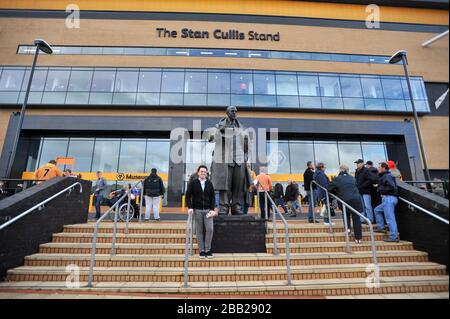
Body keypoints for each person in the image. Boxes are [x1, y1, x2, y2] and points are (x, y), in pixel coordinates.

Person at [208, 106, 251, 215]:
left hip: (239, 160)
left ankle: (236, 207)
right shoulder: (220, 126)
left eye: (236, 111)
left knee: (238, 186)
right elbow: (210, 138)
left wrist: (246, 157)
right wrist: (220, 132)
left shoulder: (241, 128)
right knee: (224, 185)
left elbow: (246, 145)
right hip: (225, 161)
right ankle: (224, 207)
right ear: (227, 113)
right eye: (232, 111)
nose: (235, 113)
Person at [185, 165, 216, 259]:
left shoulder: (209, 183)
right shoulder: (193, 183)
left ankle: (208, 249)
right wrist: (190, 207)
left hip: (207, 211)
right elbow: (188, 196)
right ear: (198, 172)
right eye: (201, 171)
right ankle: (202, 250)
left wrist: (212, 209)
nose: (203, 173)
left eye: (205, 172)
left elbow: (213, 197)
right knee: (199, 231)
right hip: (197, 210)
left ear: (206, 174)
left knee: (210, 229)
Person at [328, 164, 363, 243]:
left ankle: (348, 230)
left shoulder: (337, 179)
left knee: (346, 214)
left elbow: (329, 188)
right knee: (356, 218)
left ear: (341, 170)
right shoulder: (353, 178)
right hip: (356, 199)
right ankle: (358, 238)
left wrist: (336, 192)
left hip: (345, 199)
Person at [374, 162, 400, 243]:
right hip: (388, 198)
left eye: (379, 167)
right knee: (377, 210)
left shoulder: (387, 176)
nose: (377, 168)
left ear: (383, 168)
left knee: (390, 218)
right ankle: (381, 228)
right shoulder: (384, 176)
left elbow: (391, 187)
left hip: (389, 198)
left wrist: (380, 189)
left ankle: (393, 237)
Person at [354, 159, 378, 223]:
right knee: (361, 206)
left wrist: (363, 185)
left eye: (358, 163)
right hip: (359, 191)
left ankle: (370, 220)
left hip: (366, 191)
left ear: (362, 163)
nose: (357, 164)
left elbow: (371, 179)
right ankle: (362, 220)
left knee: (367, 206)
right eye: (356, 163)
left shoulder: (367, 170)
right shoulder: (356, 171)